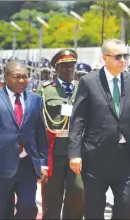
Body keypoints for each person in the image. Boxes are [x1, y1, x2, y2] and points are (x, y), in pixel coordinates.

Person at [68, 39, 130, 219]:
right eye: (118, 57)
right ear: (105, 57)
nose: (123, 61)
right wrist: (75, 153)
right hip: (96, 156)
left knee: (128, 207)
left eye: (125, 56)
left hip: (125, 156)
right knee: (94, 209)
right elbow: (78, 119)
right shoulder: (89, 81)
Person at [0, 60, 48, 219]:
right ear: (6, 77)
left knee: (28, 207)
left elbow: (40, 133)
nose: (21, 81)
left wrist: (43, 163)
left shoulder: (35, 99)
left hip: (27, 165)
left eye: (25, 77)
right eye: (16, 77)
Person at [38, 49, 84, 219]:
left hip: (77, 151)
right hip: (53, 149)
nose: (69, 69)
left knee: (78, 191)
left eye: (72, 66)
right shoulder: (46, 90)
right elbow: (39, 120)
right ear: (56, 68)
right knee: (51, 196)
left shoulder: (82, 89)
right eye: (65, 66)